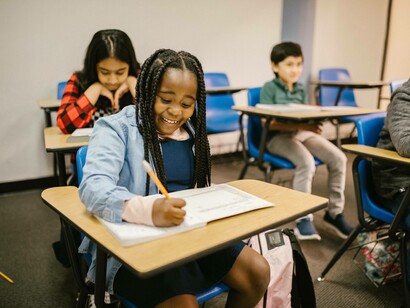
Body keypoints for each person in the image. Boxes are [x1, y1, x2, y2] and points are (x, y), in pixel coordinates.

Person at [78, 49, 270, 307]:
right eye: (166, 99)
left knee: (257, 272)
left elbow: (194, 188)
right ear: (146, 93)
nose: (176, 112)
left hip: (189, 234)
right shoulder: (116, 129)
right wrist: (149, 209)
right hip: (136, 245)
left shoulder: (193, 131)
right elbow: (93, 188)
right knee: (184, 305)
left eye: (186, 104)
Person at [260, 42, 353, 240]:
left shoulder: (301, 89)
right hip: (278, 138)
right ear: (275, 66)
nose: (296, 69)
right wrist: (304, 126)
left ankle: (334, 212)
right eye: (289, 64)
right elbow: (267, 123)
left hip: (302, 133)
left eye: (299, 64)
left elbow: (302, 115)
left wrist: (315, 118)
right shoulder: (269, 88)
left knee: (339, 158)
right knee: (307, 162)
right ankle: (303, 218)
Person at [57, 29, 140, 134]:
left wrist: (134, 84)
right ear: (94, 67)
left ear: (130, 65)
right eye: (104, 72)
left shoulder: (141, 77)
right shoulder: (79, 80)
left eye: (120, 72)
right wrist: (94, 90)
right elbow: (64, 126)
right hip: (92, 149)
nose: (113, 81)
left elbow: (157, 122)